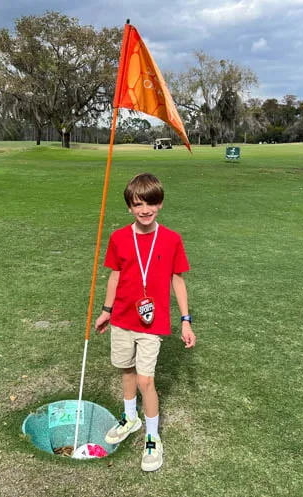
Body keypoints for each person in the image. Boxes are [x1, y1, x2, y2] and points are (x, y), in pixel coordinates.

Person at [95, 172, 196, 472]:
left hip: (152, 325)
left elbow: (178, 281)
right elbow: (114, 276)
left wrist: (186, 321)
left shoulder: (172, 239)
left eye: (151, 203)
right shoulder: (118, 238)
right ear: (129, 207)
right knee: (126, 371)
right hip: (123, 319)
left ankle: (152, 437)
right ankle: (130, 417)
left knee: (145, 380)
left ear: (160, 204)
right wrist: (106, 310)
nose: (145, 209)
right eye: (138, 204)